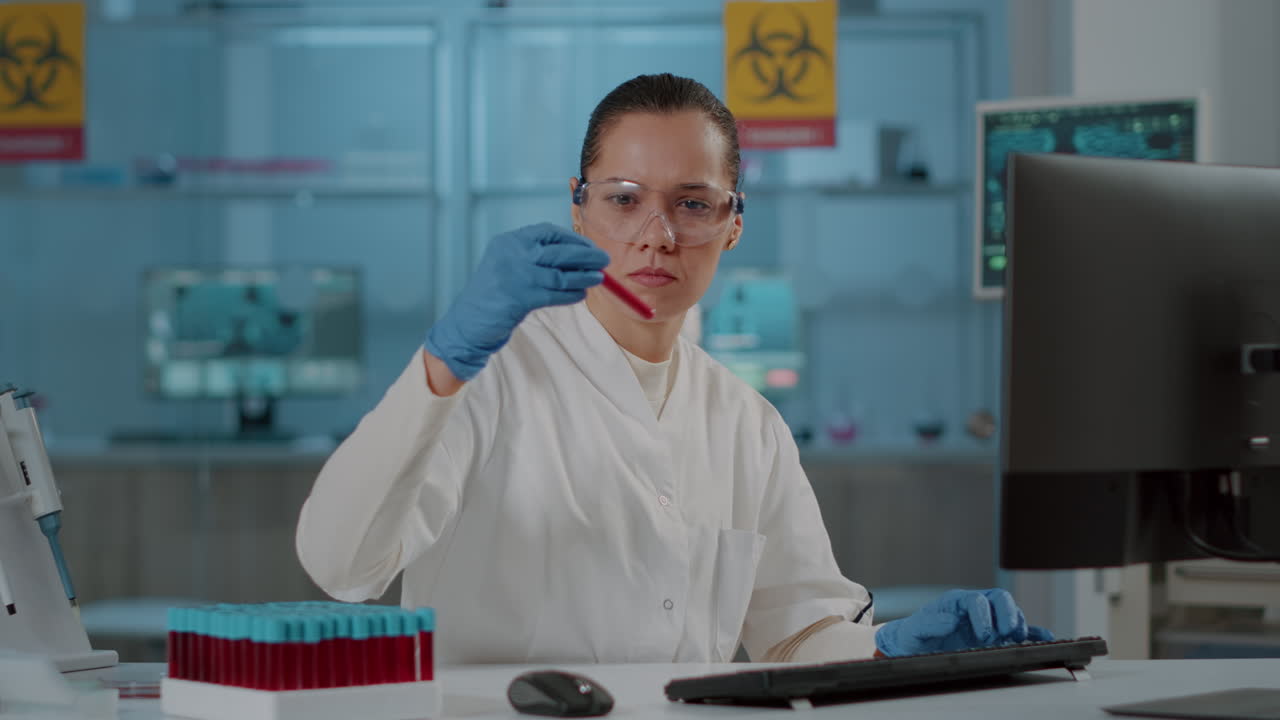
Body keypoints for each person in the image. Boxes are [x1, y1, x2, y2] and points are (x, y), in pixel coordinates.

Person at [296, 73, 1050, 665]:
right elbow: (343, 565)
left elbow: (796, 636)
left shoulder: (745, 423)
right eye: (624, 200)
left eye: (692, 204)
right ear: (578, 209)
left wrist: (888, 646)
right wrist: (442, 359)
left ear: (734, 224)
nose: (656, 237)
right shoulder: (486, 379)